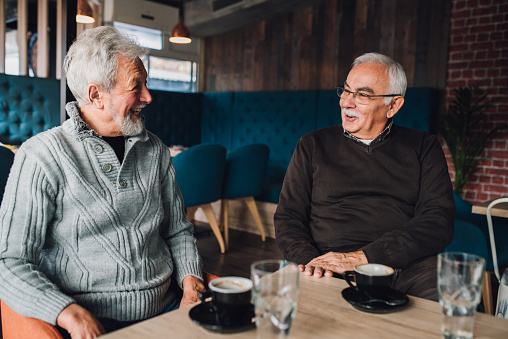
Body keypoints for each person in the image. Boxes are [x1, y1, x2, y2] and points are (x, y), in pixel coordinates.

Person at [0, 26, 204, 338]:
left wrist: (190, 280)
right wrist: (67, 312)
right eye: (136, 87)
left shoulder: (157, 150)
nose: (148, 97)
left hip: (168, 308)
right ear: (96, 95)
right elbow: (10, 262)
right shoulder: (41, 156)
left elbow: (177, 231)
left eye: (146, 83)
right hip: (92, 321)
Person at [274, 52, 455, 301]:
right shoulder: (312, 145)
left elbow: (438, 220)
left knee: (449, 304)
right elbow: (288, 217)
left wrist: (362, 258)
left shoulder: (423, 146)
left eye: (363, 95)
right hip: (327, 265)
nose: (346, 102)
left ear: (393, 105)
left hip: (408, 267)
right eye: (346, 91)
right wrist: (311, 263)